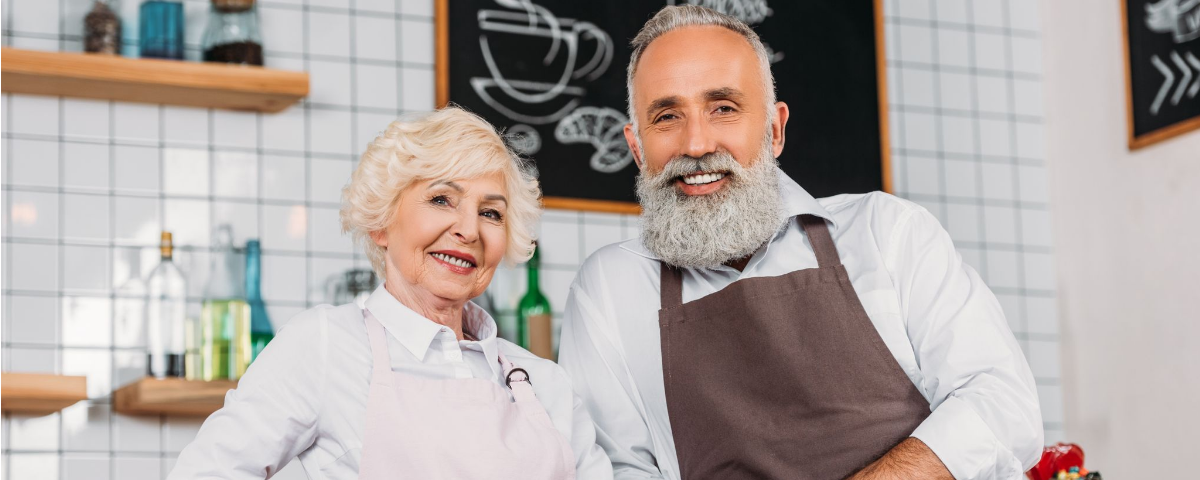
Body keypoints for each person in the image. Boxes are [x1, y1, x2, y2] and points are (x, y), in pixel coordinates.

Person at [558, 6, 1043, 480]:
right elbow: (616, 468)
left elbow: (1000, 402)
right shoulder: (608, 288)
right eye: (667, 117)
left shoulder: (888, 232)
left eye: (723, 108)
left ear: (774, 130)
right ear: (637, 147)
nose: (697, 144)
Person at [169, 107, 612, 479]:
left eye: (491, 213)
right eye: (442, 200)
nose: (468, 229)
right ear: (382, 222)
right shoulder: (326, 347)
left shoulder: (544, 383)